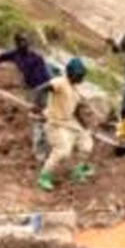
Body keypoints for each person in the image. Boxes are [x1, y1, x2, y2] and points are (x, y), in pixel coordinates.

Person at [0, 33, 53, 163]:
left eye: (26, 41)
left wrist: (50, 88)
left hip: (43, 89)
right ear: (17, 44)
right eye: (21, 42)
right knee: (37, 119)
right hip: (31, 91)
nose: (25, 44)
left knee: (45, 116)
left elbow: (46, 76)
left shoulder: (36, 57)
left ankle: (48, 146)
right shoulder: (14, 55)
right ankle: (41, 153)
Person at [31, 58, 93, 192]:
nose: (82, 78)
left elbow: (75, 110)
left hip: (68, 121)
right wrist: (36, 107)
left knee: (86, 143)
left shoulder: (75, 89)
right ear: (71, 73)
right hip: (54, 121)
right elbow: (40, 89)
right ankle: (44, 176)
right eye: (80, 75)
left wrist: (85, 126)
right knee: (62, 151)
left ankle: (77, 170)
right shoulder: (60, 82)